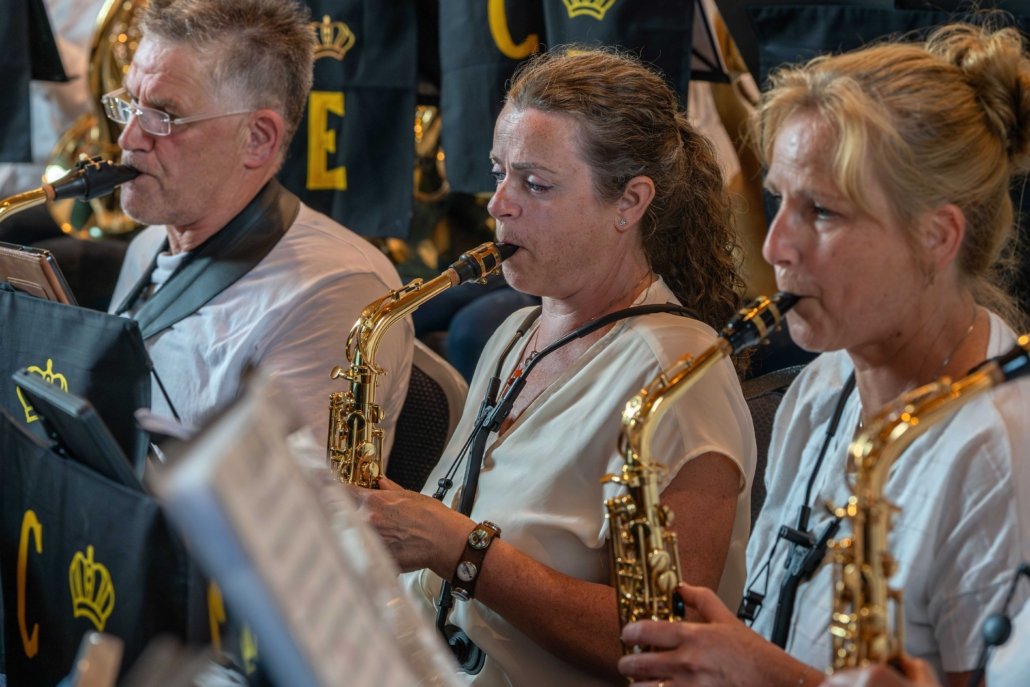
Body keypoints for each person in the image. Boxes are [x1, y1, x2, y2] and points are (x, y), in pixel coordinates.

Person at [617, 21, 1030, 687]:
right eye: (780, 200)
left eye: (823, 213)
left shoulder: (1002, 455)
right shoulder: (825, 381)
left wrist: (757, 670)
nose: (775, 247)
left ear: (937, 236)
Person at [350, 48, 756, 686]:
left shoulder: (679, 375)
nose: (498, 205)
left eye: (535, 184)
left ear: (630, 202)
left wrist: (457, 548)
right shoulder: (515, 333)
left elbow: (667, 647)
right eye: (498, 173)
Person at [104, 0, 412, 443]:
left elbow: (288, 489)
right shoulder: (148, 243)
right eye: (131, 103)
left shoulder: (337, 292)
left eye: (162, 116)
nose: (128, 138)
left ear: (257, 139)